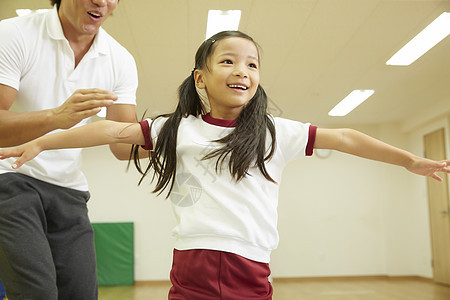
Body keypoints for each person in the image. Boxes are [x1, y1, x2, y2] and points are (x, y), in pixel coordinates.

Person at [1, 30, 449, 299]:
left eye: (252, 64)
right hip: (197, 260)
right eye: (229, 61)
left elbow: (347, 137)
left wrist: (408, 159)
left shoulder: (273, 132)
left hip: (254, 265)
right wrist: (42, 141)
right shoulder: (179, 129)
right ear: (201, 77)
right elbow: (106, 131)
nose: (243, 70)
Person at [0, 0, 139, 299]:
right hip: (8, 179)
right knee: (38, 293)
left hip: (69, 190)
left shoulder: (120, 59)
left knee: (81, 294)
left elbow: (122, 143)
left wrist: (179, 140)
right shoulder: (13, 34)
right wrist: (55, 117)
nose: (101, 2)